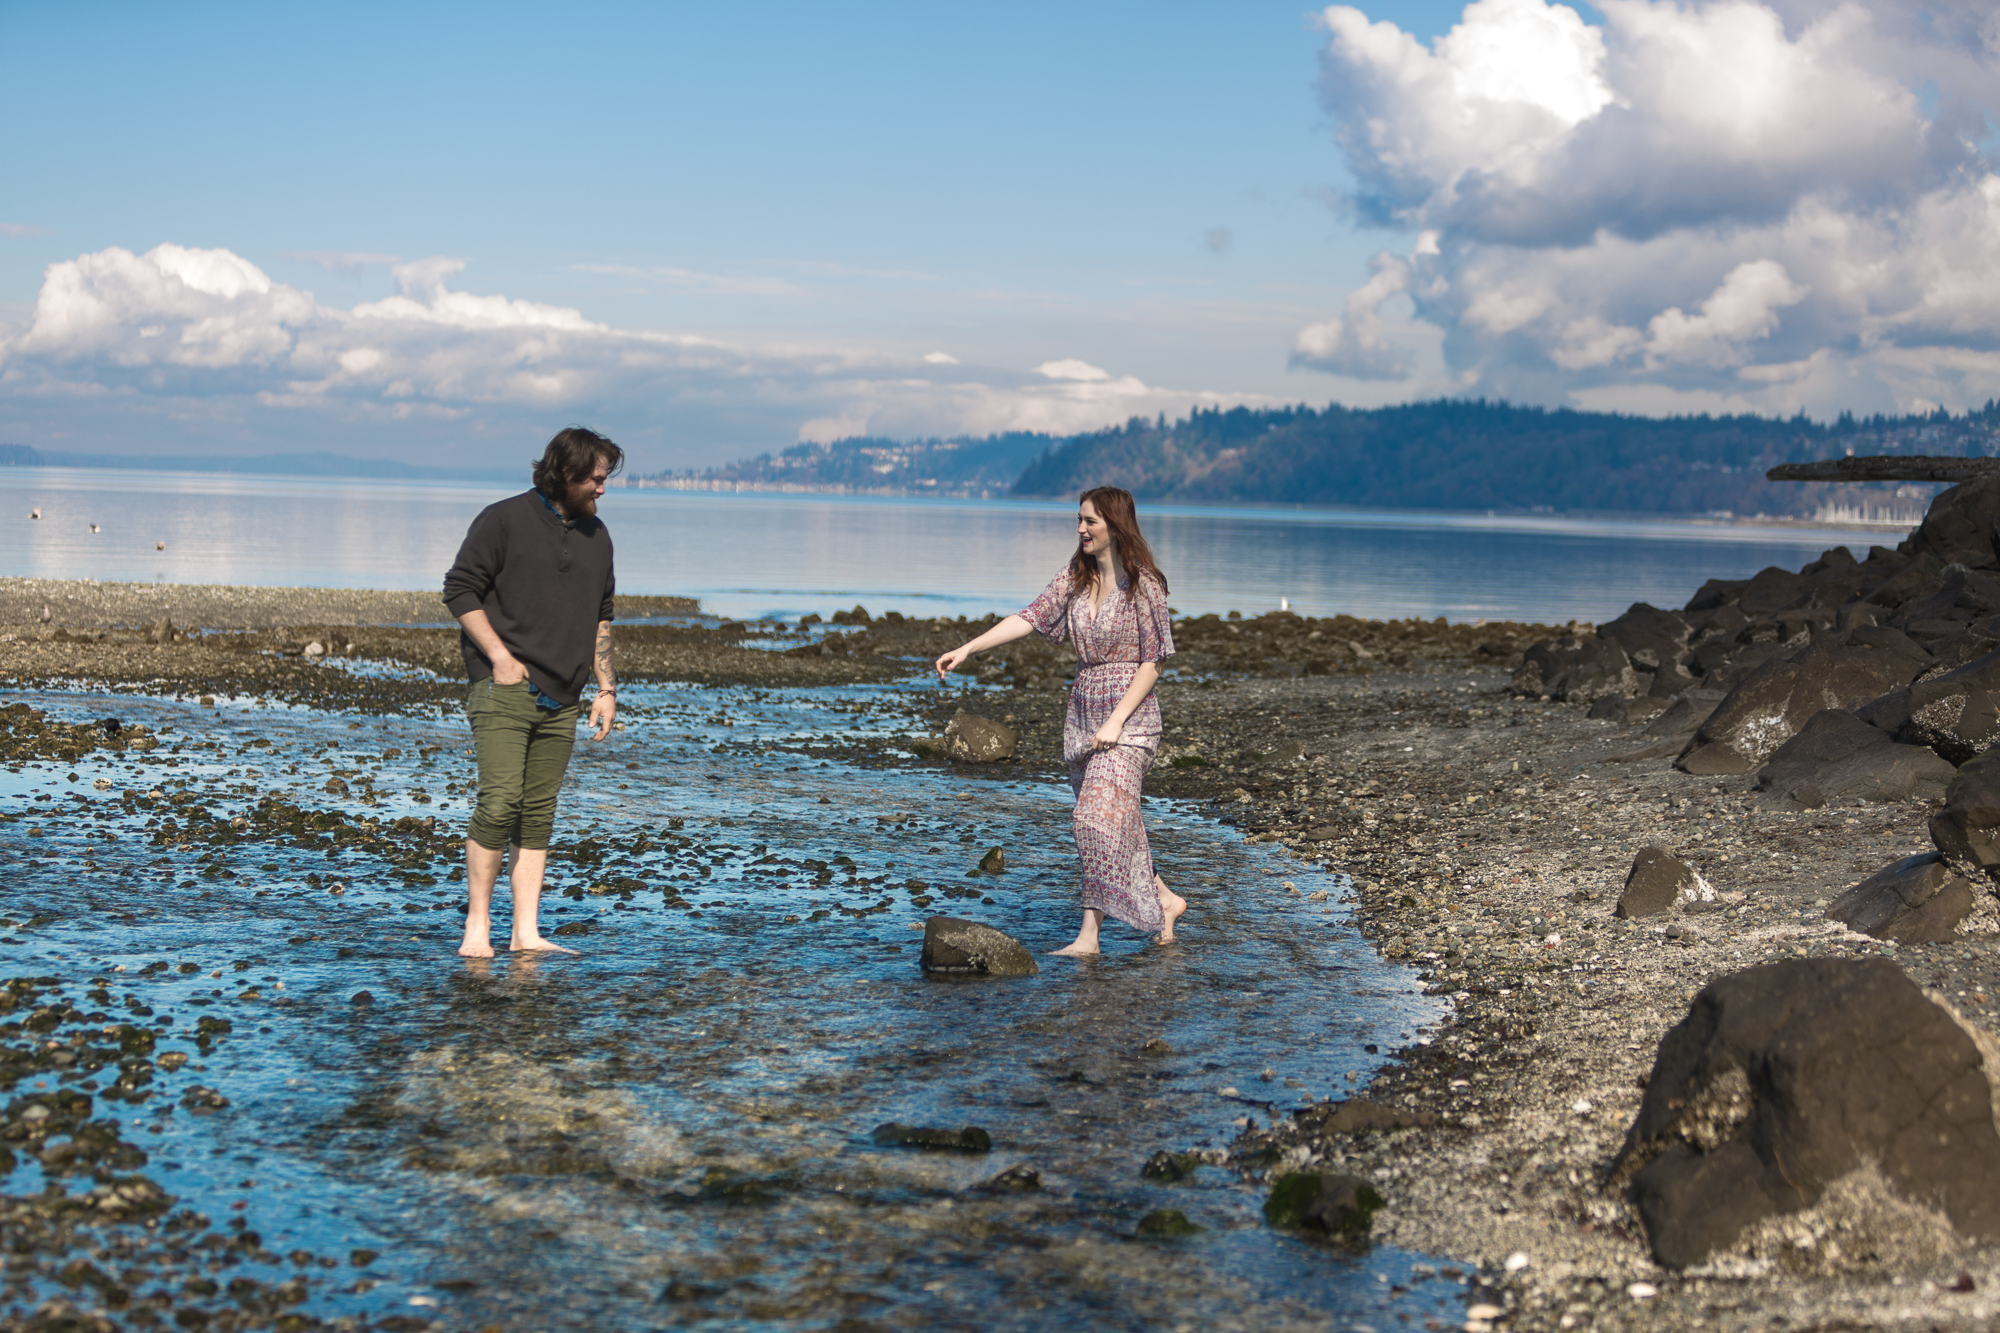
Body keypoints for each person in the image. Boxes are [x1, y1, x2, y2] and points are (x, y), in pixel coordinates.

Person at [935, 486, 1187, 955]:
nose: (1080, 529)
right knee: (1116, 823)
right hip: (1082, 718)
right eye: (1079, 519)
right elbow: (1029, 617)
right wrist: (968, 647)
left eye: (1089, 520)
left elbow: (1153, 662)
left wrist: (1115, 722)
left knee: (1093, 818)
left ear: (1114, 524)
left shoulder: (1145, 584)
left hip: (1129, 723)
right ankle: (1165, 900)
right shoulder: (1076, 577)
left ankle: (1088, 938)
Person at [442, 427, 622, 957]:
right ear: (565, 473)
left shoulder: (598, 535)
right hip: (504, 688)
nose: (602, 489)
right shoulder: (502, 519)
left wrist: (606, 688)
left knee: (538, 812)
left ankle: (526, 933)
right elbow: (458, 589)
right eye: (595, 479)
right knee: (499, 803)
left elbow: (602, 615)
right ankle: (477, 929)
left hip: (564, 695)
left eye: (605, 480)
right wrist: (499, 658)